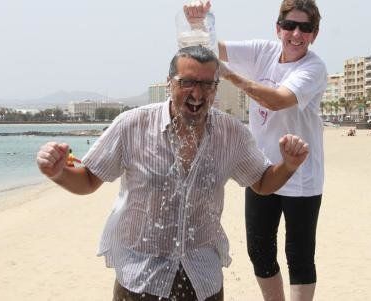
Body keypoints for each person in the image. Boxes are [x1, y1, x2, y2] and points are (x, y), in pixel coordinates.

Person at [36, 46, 310, 301]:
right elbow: (88, 179)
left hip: (203, 278)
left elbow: (261, 182)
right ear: (169, 83)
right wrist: (59, 172)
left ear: (216, 87)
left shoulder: (232, 134)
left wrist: (288, 165)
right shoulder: (132, 125)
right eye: (187, 82)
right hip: (140, 278)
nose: (198, 94)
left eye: (207, 84)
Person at [184, 1, 326, 300]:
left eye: (305, 28)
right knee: (259, 251)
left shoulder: (313, 68)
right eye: (289, 26)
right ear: (278, 29)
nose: (296, 34)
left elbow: (277, 99)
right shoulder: (264, 51)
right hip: (260, 170)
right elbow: (213, 48)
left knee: (298, 255)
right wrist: (197, 24)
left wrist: (231, 76)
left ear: (315, 34)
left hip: (300, 175)